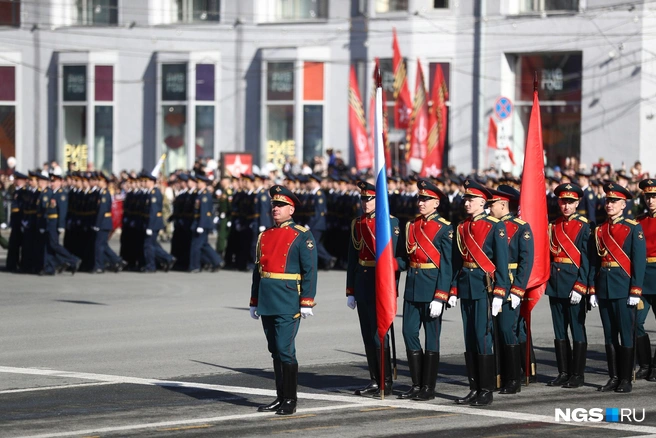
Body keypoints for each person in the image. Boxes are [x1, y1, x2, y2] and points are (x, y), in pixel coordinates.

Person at [250, 184, 317, 416]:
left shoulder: (301, 235)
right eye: (274, 205)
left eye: (280, 205)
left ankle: (290, 399)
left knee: (285, 349)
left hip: (288, 298)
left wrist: (307, 301)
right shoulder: (265, 235)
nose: (275, 209)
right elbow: (258, 270)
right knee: (274, 350)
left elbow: (310, 271)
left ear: (291, 209)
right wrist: (254, 299)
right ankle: (280, 397)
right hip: (268, 298)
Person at [451, 179, 509, 407]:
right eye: (465, 199)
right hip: (467, 285)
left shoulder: (495, 226)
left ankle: (486, 390)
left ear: (482, 202)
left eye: (471, 199)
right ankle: (474, 387)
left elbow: (502, 263)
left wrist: (500, 292)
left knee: (483, 337)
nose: (466, 203)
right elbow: (458, 261)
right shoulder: (462, 227)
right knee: (469, 338)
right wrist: (454, 289)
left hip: (485, 287)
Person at [346, 180, 405, 397]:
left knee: (380, 334)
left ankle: (385, 381)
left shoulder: (391, 223)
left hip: (381, 283)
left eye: (369, 199)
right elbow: (353, 258)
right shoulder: (358, 223)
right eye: (362, 199)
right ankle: (374, 379)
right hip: (363, 281)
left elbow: (399, 258)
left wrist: (392, 278)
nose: (364, 203)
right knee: (367, 334)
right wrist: (350, 290)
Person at [590, 183, 646, 393]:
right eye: (607, 201)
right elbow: (596, 261)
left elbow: (638, 261)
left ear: (624, 204)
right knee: (609, 334)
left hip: (624, 288)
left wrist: (636, 290)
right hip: (605, 287)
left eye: (614, 201)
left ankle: (626, 378)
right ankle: (613, 376)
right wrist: (594, 289)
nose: (609, 204)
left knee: (625, 333)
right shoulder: (601, 229)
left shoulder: (632, 227)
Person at [399, 179, 452, 401]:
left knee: (432, 338)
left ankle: (428, 387)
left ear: (436, 203)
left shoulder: (445, 228)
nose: (421, 203)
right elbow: (404, 258)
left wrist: (441, 296)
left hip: (432, 288)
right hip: (413, 285)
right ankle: (416, 383)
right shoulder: (411, 225)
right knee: (408, 332)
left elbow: (448, 265)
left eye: (426, 199)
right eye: (420, 198)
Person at [486, 184, 534, 394]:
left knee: (508, 329)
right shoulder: (490, 225)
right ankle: (501, 374)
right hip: (491, 283)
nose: (489, 208)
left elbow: (526, 262)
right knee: (496, 330)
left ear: (503, 204)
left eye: (492, 204)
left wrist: (518, 290)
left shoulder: (521, 227)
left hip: (511, 285)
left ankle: (513, 379)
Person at [545, 183, 591, 389]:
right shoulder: (553, 226)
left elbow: (587, 260)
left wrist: (581, 285)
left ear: (578, 203)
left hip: (574, 284)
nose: (566, 206)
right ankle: (563, 372)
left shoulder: (584, 226)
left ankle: (577, 374)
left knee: (577, 329)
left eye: (570, 202)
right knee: (559, 331)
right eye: (563, 201)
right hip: (556, 283)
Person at [636, 178, 656, 381]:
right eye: (648, 196)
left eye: (654, 197)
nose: (651, 201)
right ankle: (644, 364)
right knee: (636, 322)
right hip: (643, 278)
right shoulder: (639, 221)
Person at [142, 173, 175, 273]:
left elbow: (154, 212)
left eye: (146, 181)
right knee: (153, 244)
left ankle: (151, 266)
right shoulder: (151, 192)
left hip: (153, 223)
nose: (144, 183)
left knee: (149, 245)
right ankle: (168, 258)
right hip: (152, 223)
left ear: (151, 182)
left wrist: (150, 227)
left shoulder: (154, 193)